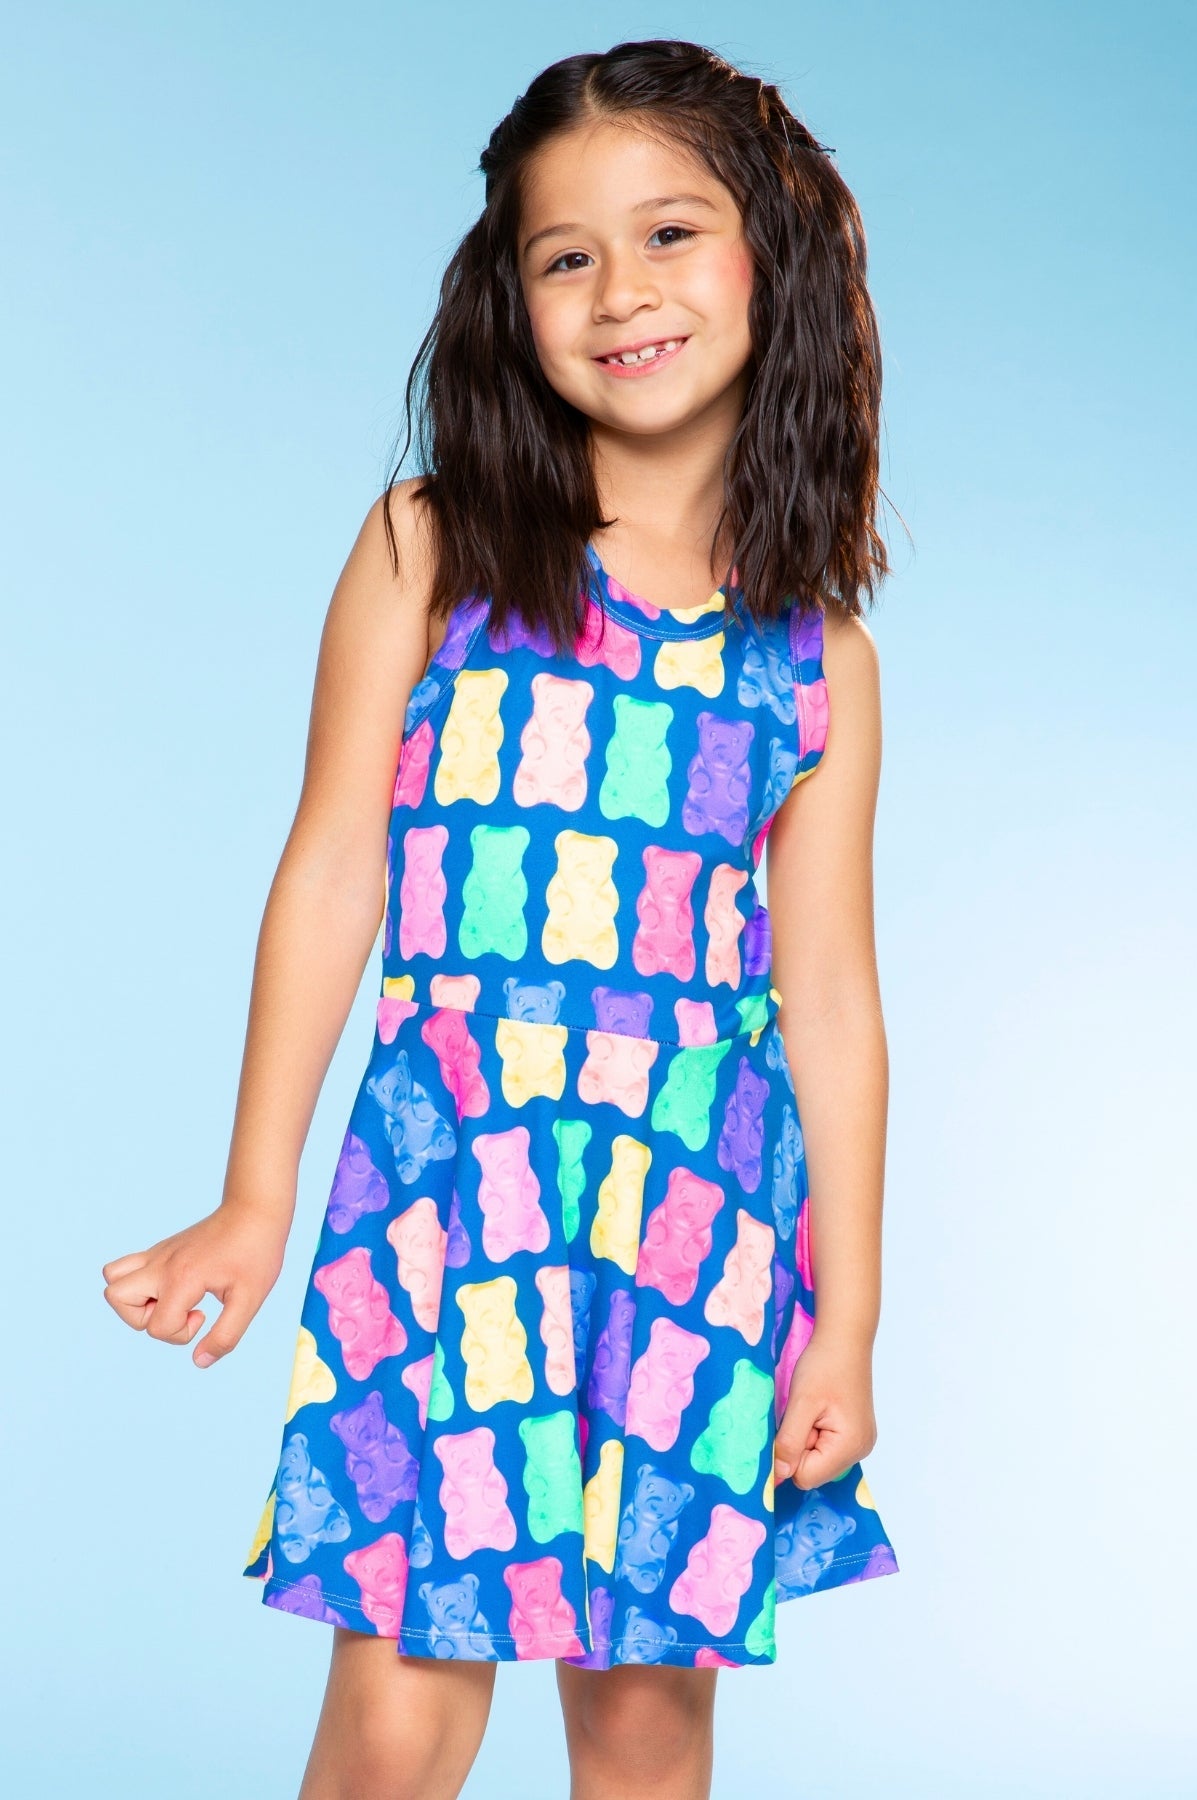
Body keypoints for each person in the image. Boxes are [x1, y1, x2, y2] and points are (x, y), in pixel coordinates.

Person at [102, 36, 900, 1800]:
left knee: (643, 1719)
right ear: (509, 298)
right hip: (448, 1191)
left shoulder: (817, 662)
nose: (623, 291)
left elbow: (833, 1006)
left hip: (698, 1224)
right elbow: (333, 870)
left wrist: (846, 1321)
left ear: (771, 258)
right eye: (567, 255)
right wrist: (255, 1196)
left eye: (672, 233)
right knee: (398, 1712)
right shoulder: (433, 547)